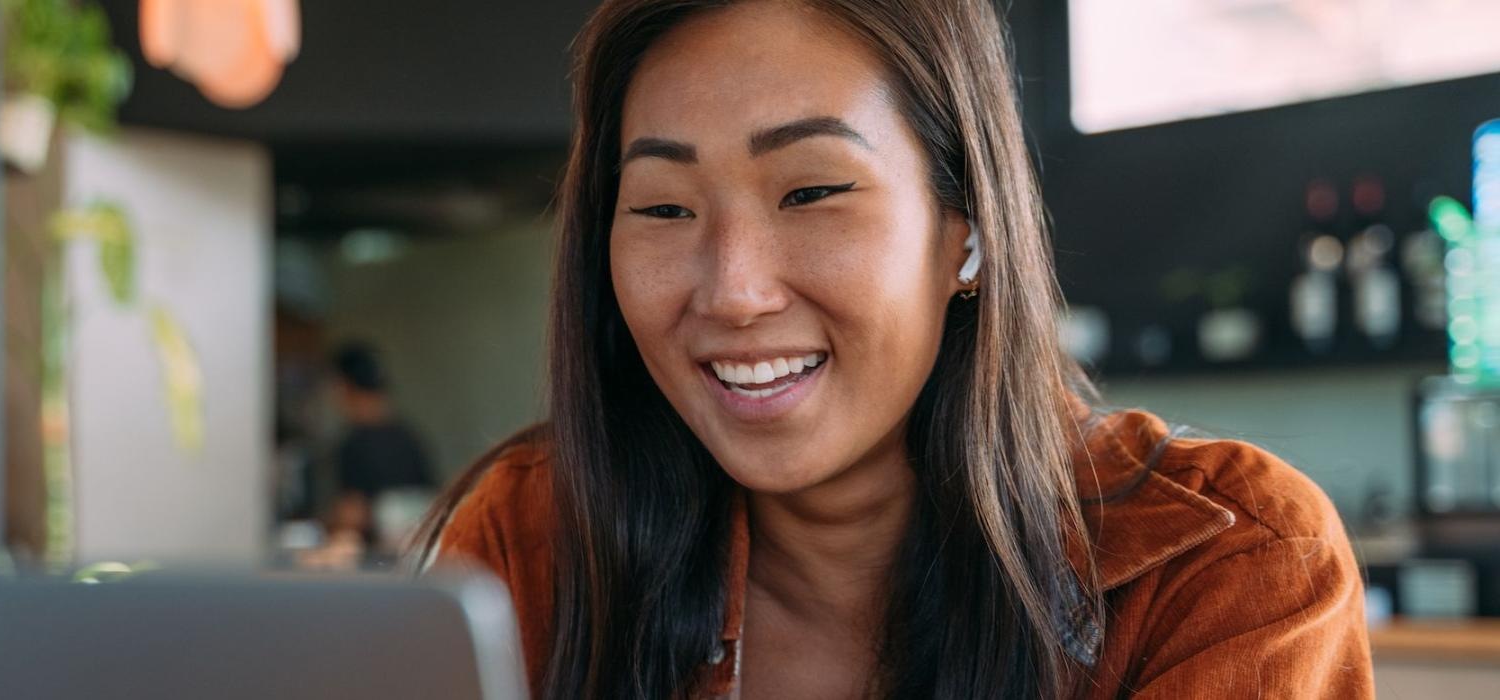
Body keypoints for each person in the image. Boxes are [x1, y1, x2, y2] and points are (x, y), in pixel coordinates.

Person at [418, 1, 1373, 698]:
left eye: (813, 193)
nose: (734, 291)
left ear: (965, 228)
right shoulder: (533, 540)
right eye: (664, 208)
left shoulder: (1227, 567)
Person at [320, 342, 435, 557]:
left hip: (376, 563)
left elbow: (353, 515)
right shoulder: (410, 437)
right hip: (415, 562)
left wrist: (323, 528)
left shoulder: (355, 444)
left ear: (343, 386)